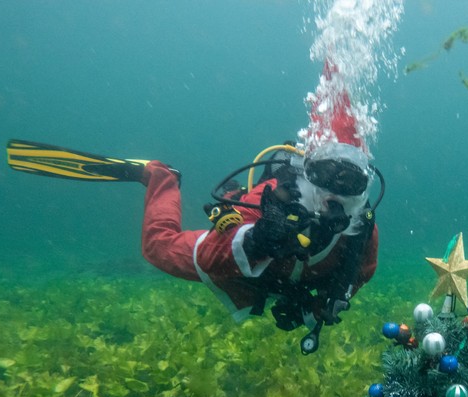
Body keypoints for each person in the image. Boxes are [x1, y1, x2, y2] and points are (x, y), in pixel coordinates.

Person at [139, 71, 380, 354]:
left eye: (350, 181)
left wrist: (311, 309)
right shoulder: (276, 197)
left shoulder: (362, 231)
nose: (335, 191)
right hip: (249, 269)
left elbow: (358, 275)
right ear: (308, 171)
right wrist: (256, 239)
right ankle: (162, 177)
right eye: (326, 173)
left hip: (290, 281)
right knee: (157, 247)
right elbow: (208, 257)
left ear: (364, 188)